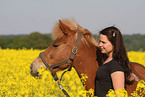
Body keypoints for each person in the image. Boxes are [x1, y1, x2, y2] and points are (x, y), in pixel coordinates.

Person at [95, 26, 132, 97]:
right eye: (100, 41)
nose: (100, 45)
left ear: (114, 43)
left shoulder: (115, 65)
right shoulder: (107, 61)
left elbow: (119, 94)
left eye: (103, 42)